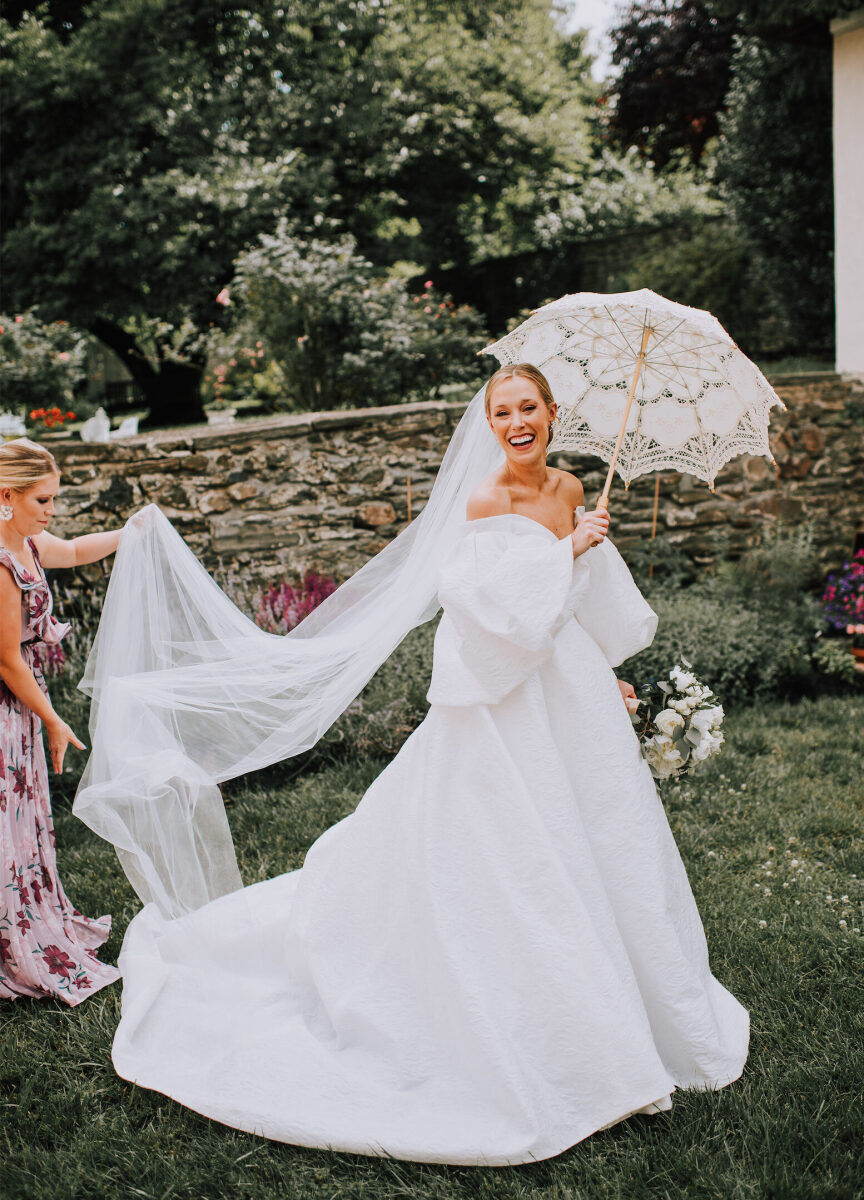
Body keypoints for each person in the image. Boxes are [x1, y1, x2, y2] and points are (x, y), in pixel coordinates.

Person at [75, 365, 749, 1165]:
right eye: (502, 412)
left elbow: (576, 599)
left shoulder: (572, 485)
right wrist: (567, 549)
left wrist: (599, 642)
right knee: (516, 854)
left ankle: (636, 1003)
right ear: (491, 423)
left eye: (528, 407)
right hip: (503, 704)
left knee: (604, 835)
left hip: (568, 691)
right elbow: (486, 612)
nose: (516, 422)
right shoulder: (485, 500)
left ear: (553, 413)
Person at [0, 438, 123, 1005]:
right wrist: (52, 719)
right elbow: (6, 660)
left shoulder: (25, 541)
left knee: (21, 822)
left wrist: (133, 534)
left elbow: (72, 550)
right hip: (7, 707)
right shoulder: (1, 563)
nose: (52, 511)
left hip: (22, 703)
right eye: (43, 500)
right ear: (8, 496)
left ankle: (31, 914)